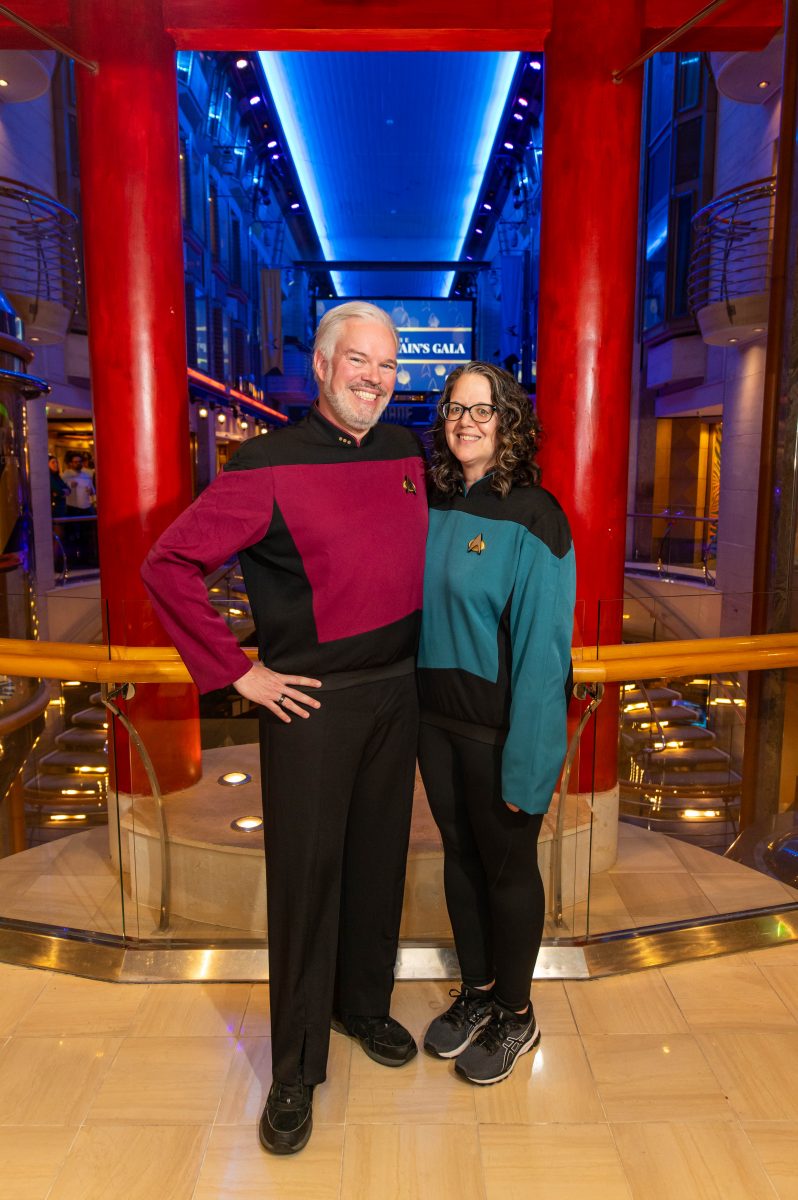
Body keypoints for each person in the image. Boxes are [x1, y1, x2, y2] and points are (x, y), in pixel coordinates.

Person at [141, 301, 428, 1155]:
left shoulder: (407, 450)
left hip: (398, 692)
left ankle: (362, 1007)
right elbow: (168, 564)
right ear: (322, 366)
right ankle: (296, 1069)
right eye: (358, 361)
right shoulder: (264, 464)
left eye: (388, 365)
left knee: (379, 863)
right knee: (307, 880)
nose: (374, 379)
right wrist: (238, 671)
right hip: (311, 703)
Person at [417, 361, 575, 1086]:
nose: (466, 422)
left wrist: (530, 762)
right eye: (456, 408)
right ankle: (478, 993)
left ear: (509, 423)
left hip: (498, 731)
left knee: (508, 870)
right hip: (436, 722)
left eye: (483, 409)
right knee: (460, 859)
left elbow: (545, 654)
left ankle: (517, 1012)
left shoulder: (536, 515)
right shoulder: (434, 502)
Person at [61, 450, 97, 566]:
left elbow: (93, 491)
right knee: (73, 536)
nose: (78, 463)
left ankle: (86, 559)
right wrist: (69, 486)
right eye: (75, 462)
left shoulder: (86, 475)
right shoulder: (65, 476)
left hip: (86, 508)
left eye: (79, 461)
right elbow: (61, 492)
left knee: (86, 536)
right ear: (70, 463)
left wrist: (91, 491)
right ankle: (73, 561)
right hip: (72, 508)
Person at [48, 454, 69, 518]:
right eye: (53, 462)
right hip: (54, 509)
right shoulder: (49, 477)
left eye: (56, 462)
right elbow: (58, 490)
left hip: (61, 508)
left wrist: (61, 492)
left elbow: (68, 489)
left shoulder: (57, 476)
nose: (56, 464)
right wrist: (61, 492)